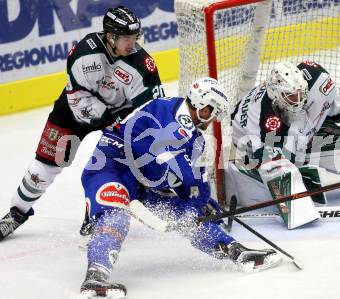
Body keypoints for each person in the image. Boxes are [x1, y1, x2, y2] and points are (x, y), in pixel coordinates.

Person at [79, 77, 282, 298]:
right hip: (109, 167)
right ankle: (95, 278)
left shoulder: (196, 137)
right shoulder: (164, 111)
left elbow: (190, 178)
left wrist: (200, 203)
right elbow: (175, 170)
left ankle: (235, 251)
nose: (213, 118)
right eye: (211, 111)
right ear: (201, 105)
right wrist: (198, 198)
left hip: (141, 182)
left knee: (189, 216)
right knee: (116, 216)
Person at [0, 6, 164, 241]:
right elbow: (78, 101)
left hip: (121, 114)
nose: (133, 43)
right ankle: (16, 213)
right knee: (45, 165)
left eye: (135, 36)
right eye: (127, 37)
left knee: (119, 162)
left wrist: (126, 131)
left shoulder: (142, 65)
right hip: (74, 111)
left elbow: (150, 112)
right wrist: (108, 120)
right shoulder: (83, 54)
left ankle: (96, 212)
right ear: (110, 36)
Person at [225, 60, 340, 229]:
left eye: (301, 93)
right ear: (276, 96)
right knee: (276, 170)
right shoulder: (260, 121)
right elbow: (270, 162)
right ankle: (256, 180)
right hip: (257, 149)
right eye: (292, 97)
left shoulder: (316, 78)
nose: (299, 99)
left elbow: (335, 105)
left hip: (301, 136)